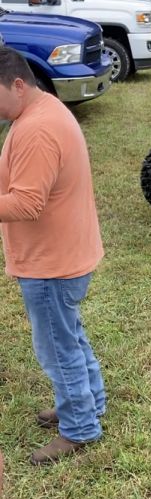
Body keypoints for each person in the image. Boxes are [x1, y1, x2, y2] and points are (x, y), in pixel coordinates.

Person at [0, 47, 105, 464]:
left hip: (51, 264)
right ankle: (88, 404)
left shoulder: (37, 129)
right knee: (70, 337)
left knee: (57, 347)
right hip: (64, 255)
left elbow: (26, 204)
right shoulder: (43, 112)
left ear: (18, 85)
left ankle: (79, 427)